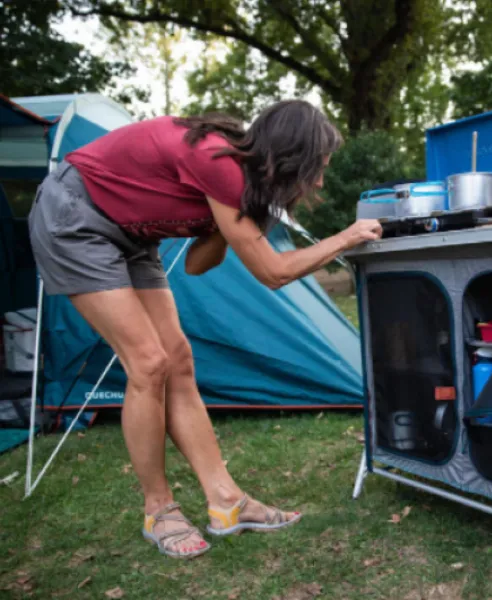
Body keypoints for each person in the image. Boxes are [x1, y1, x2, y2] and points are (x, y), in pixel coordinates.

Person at [27, 100, 382, 559]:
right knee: (149, 364)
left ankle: (226, 501)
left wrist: (227, 225)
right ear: (292, 154)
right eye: (317, 168)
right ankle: (158, 509)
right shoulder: (219, 161)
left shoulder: (245, 189)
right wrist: (346, 237)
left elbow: (197, 264)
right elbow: (272, 273)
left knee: (179, 361)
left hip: (134, 237)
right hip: (77, 216)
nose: (317, 181)